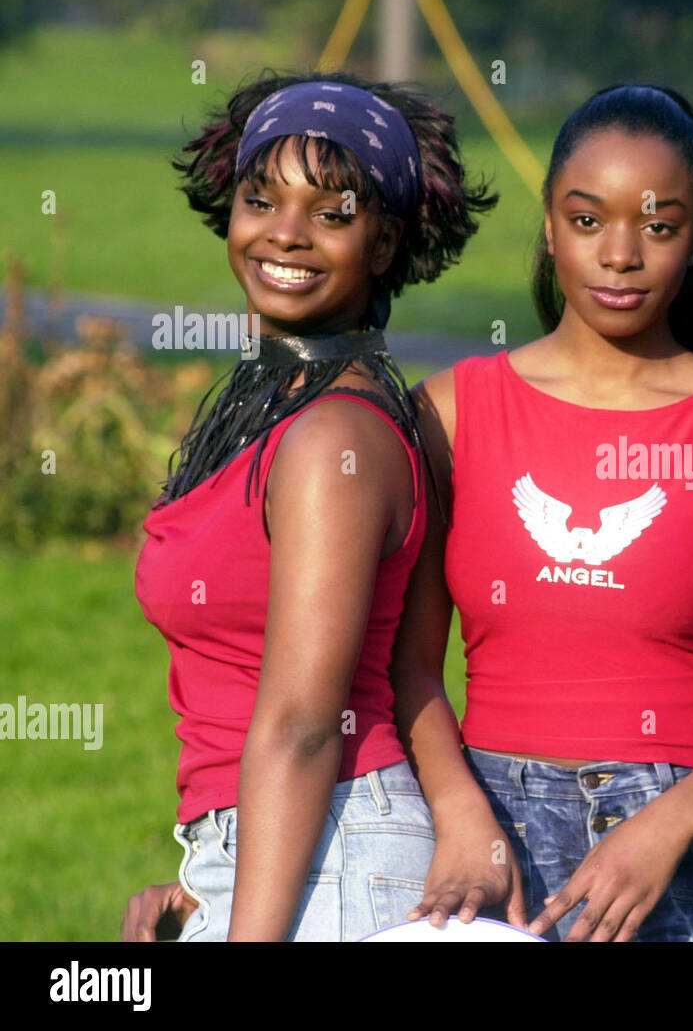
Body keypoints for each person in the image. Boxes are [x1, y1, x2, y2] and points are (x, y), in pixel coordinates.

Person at [122, 71, 518, 941]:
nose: (286, 234)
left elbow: (305, 724)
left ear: (383, 245)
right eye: (262, 200)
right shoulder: (270, 407)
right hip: (282, 849)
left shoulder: (333, 437)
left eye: (332, 213)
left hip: (336, 856)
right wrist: (206, 876)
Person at [399, 84, 693, 942]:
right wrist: (461, 812)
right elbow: (409, 663)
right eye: (586, 220)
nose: (619, 254)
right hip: (493, 836)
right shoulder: (450, 414)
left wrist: (672, 825)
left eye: (658, 226)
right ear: (547, 226)